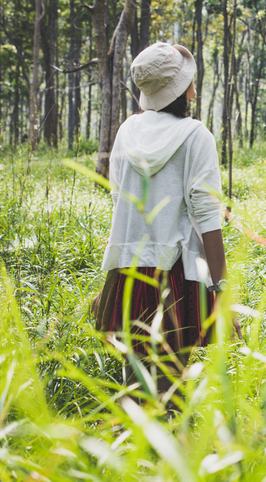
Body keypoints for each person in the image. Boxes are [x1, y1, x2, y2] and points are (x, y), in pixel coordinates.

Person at [93, 42, 237, 386]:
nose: (195, 86)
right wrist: (222, 291)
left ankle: (133, 438)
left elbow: (120, 199)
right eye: (189, 79)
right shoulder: (195, 136)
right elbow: (207, 219)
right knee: (170, 386)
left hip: (128, 273)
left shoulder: (128, 131)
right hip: (176, 277)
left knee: (134, 382)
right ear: (181, 90)